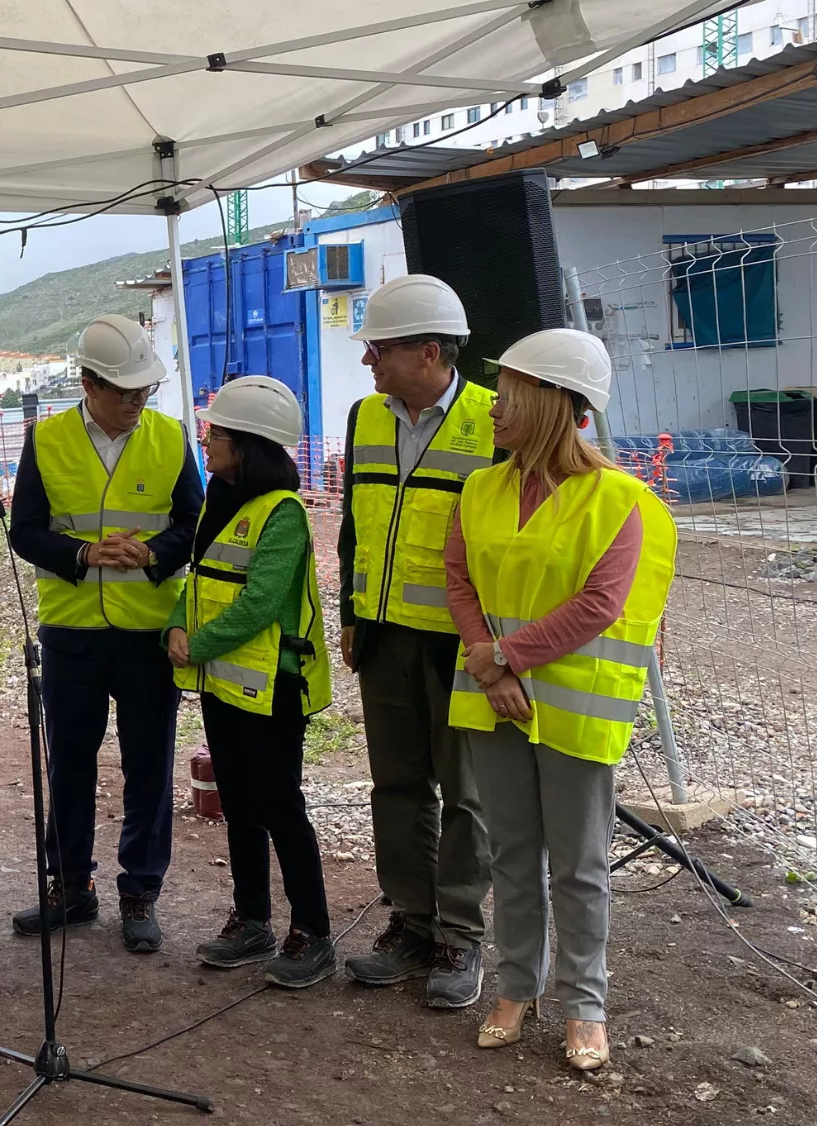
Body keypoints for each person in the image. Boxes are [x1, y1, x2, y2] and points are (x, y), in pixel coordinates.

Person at [445, 330, 676, 1072]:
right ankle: (517, 987)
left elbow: (601, 604)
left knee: (577, 864)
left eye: (506, 394)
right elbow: (459, 580)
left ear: (550, 402)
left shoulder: (619, 500)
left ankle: (585, 1005)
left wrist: (504, 655)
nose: (492, 409)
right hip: (493, 701)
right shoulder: (481, 488)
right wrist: (491, 668)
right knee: (512, 854)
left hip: (572, 709)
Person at [5, 314, 204, 953]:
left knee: (149, 765)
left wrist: (151, 554)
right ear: (86, 383)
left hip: (148, 632)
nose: (135, 401)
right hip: (73, 633)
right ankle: (70, 887)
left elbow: (194, 527)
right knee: (69, 764)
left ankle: (140, 892)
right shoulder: (47, 440)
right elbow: (25, 530)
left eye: (143, 389)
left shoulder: (172, 439)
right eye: (122, 390)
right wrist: (84, 555)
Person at [339, 274, 495, 1009]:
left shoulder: (495, 424)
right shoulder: (365, 418)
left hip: (458, 647)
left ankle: (460, 937)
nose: (370, 361)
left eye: (381, 349)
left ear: (428, 351)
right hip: (382, 638)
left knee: (465, 796)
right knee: (396, 787)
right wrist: (350, 608)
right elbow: (353, 524)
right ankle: (411, 920)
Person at [166, 377, 337, 989]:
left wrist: (198, 644)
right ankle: (253, 920)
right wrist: (173, 629)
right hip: (226, 686)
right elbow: (201, 582)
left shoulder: (283, 513)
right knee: (239, 806)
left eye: (217, 434)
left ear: (249, 444)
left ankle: (313, 932)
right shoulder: (222, 499)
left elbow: (261, 601)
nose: (206, 443)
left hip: (272, 688)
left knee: (280, 807)